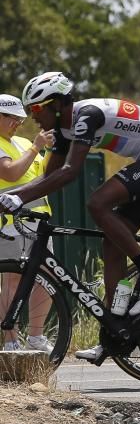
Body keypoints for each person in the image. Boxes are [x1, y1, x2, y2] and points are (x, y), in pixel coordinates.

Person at [0, 72, 140, 362]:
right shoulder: (64, 130)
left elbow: (70, 172)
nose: (32, 116)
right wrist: (13, 197)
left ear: (58, 104)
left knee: (98, 202)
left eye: (36, 109)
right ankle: (114, 329)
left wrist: (19, 196)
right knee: (112, 244)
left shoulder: (86, 115)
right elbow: (49, 175)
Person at [0, 95, 54, 352]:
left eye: (20, 120)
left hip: (39, 219)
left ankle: (36, 337)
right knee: (12, 280)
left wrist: (52, 149)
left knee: (47, 278)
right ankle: (11, 341)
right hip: (12, 222)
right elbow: (11, 172)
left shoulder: (22, 142)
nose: (18, 124)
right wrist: (35, 147)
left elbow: (43, 172)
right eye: (12, 118)